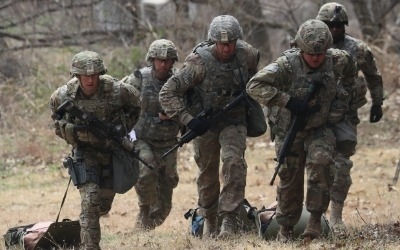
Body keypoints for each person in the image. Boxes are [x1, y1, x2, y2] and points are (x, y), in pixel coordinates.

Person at [246, 19, 357, 242]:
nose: (316, 57)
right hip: (290, 130)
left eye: (320, 53)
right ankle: (285, 229)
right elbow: (254, 86)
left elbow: (351, 75)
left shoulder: (338, 60)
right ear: (300, 48)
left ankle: (314, 222)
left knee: (322, 163)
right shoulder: (286, 65)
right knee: (289, 179)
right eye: (310, 53)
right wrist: (287, 101)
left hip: (320, 127)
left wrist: (340, 101)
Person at [159, 15, 260, 239]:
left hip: (234, 120)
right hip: (204, 125)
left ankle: (229, 221)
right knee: (207, 173)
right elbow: (167, 93)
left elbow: (257, 81)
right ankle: (210, 221)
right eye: (221, 43)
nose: (226, 48)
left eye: (231, 43)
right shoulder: (199, 62)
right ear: (213, 41)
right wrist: (188, 119)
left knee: (234, 164)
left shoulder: (248, 55)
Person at [49, 51, 141, 250]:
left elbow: (136, 105)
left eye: (94, 75)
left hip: (112, 152)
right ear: (77, 76)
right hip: (84, 153)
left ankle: (82, 228)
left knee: (102, 205)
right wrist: (74, 131)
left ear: (100, 74)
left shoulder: (117, 90)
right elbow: (56, 121)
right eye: (85, 75)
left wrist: (122, 127)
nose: (90, 79)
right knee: (90, 202)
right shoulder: (63, 95)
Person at [316, 2, 385, 232]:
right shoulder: (308, 45)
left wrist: (377, 103)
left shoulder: (357, 49)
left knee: (342, 165)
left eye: (338, 25)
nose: (334, 29)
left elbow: (373, 76)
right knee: (316, 165)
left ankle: (335, 214)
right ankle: (312, 215)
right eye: (329, 25)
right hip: (315, 116)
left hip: (345, 116)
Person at [120, 39, 181, 230]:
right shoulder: (139, 78)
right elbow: (119, 97)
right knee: (146, 171)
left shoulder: (180, 81)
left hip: (168, 140)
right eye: (159, 60)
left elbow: (194, 104)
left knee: (167, 187)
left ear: (173, 62)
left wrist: (175, 112)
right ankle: (144, 211)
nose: (163, 64)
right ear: (151, 60)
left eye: (167, 60)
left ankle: (151, 222)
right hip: (141, 138)